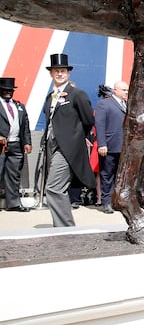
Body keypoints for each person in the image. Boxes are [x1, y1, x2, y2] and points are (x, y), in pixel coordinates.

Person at [41, 54, 95, 227]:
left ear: (68, 73)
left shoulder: (77, 94)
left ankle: (65, 228)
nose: (59, 74)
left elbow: (88, 120)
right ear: (51, 74)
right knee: (58, 187)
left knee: (53, 187)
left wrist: (78, 138)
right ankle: (63, 226)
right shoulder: (50, 97)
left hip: (68, 148)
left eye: (62, 71)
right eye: (56, 71)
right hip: (52, 145)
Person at [94, 80, 128, 214]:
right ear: (116, 90)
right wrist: (102, 144)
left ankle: (117, 201)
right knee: (107, 174)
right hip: (109, 145)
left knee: (120, 175)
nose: (126, 92)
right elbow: (100, 125)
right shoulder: (104, 104)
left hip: (123, 146)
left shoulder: (126, 105)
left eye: (126, 90)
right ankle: (106, 202)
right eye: (123, 90)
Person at [0, 77, 32, 212]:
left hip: (16, 145)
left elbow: (25, 126)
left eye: (10, 90)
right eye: (5, 90)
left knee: (14, 176)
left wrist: (27, 142)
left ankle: (13, 204)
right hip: (1, 146)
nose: (8, 92)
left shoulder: (19, 106)